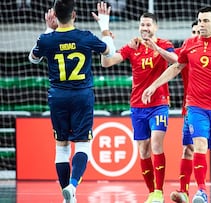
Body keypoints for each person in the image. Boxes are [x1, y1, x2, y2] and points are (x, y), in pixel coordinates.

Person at [142, 6, 211, 203]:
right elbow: (176, 67)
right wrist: (154, 86)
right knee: (198, 145)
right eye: (199, 20)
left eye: (206, 21)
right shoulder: (189, 44)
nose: (202, 24)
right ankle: (200, 191)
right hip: (195, 106)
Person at [28, 0, 116, 203]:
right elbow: (109, 52)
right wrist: (104, 25)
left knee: (61, 146)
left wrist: (48, 30)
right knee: (83, 145)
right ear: (74, 15)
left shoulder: (47, 39)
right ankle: (73, 186)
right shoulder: (85, 37)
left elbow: (33, 59)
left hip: (57, 96)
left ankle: (67, 196)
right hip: (81, 96)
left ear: (54, 17)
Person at [92, 2, 178, 203]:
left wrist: (156, 47)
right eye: (142, 25)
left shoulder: (164, 44)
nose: (145, 28)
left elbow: (176, 60)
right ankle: (151, 192)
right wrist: (106, 39)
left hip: (159, 103)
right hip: (138, 106)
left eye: (148, 25)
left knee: (156, 143)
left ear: (155, 27)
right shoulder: (133, 46)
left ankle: (159, 191)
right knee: (143, 149)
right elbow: (107, 63)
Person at [170, 20, 211, 203]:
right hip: (191, 108)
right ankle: (185, 191)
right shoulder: (188, 51)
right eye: (193, 31)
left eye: (198, 29)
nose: (196, 33)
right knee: (189, 149)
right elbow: (171, 61)